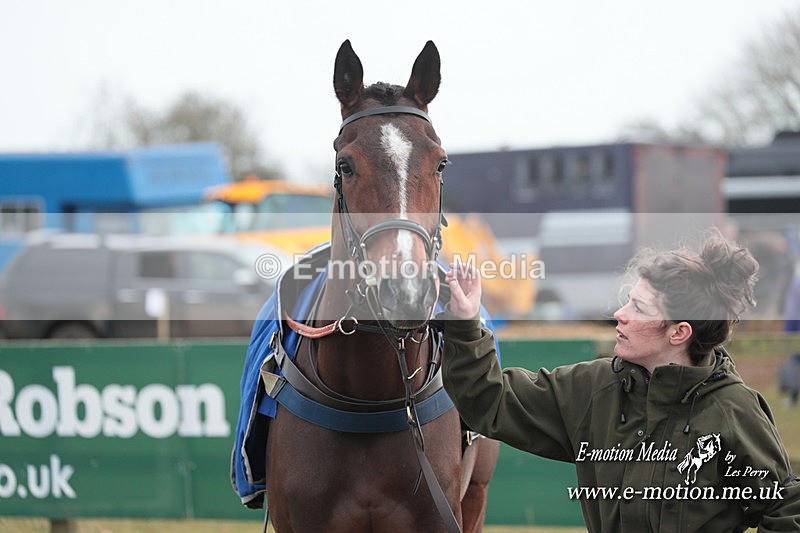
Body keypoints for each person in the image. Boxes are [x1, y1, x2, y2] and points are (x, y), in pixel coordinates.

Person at [441, 233, 800, 532]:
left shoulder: (733, 410)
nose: (620, 315)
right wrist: (467, 321)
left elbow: (786, 508)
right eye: (628, 301)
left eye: (639, 308)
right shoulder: (596, 388)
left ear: (679, 332)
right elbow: (491, 401)